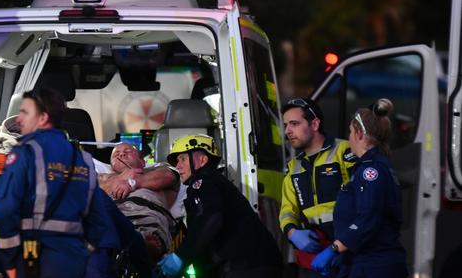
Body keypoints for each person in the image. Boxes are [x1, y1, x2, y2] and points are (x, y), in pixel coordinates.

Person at [0, 88, 118, 278]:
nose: (19, 120)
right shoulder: (84, 159)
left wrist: (8, 261)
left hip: (33, 257)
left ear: (42, 118)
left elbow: (6, 210)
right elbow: (98, 221)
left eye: (25, 113)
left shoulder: (24, 154)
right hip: (73, 258)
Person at [158, 134, 283, 278]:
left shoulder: (203, 181)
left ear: (202, 160)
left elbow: (209, 219)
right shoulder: (217, 181)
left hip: (245, 266)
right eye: (177, 161)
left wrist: (181, 256)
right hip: (257, 262)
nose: (178, 166)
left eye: (183, 159)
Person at [311, 98, 408, 277]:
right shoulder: (374, 166)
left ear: (359, 134)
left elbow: (368, 217)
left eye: (350, 132)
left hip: (373, 266)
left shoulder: (371, 170)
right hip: (367, 262)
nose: (348, 138)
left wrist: (334, 248)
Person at [280, 98, 356, 276]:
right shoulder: (294, 167)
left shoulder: (344, 151)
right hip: (315, 253)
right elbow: (287, 210)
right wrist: (292, 233)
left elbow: (362, 203)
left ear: (314, 124)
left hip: (347, 250)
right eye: (285, 125)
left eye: (294, 124)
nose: (287, 131)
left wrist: (341, 244)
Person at [98, 142, 180, 261]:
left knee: (147, 233)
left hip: (143, 213)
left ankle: (147, 245)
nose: (121, 155)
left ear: (142, 161)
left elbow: (169, 177)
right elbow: (89, 189)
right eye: (116, 154)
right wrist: (121, 178)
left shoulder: (157, 170)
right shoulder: (102, 177)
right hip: (110, 214)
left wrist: (134, 182)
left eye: (127, 151)